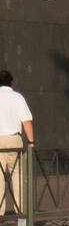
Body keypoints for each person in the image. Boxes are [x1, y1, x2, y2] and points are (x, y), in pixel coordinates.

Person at [0, 70, 34, 216]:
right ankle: (20, 210)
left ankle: (0, 211)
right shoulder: (17, 97)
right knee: (17, 175)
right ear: (12, 82)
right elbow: (26, 121)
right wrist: (31, 142)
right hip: (14, 139)